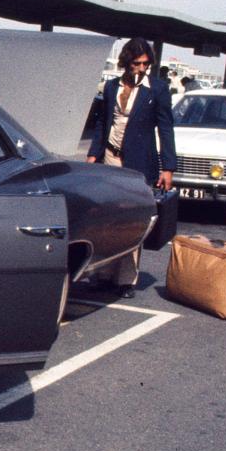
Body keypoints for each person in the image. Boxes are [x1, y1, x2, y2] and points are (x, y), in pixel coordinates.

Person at [86, 38, 176, 297]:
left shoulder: (157, 89)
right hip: (110, 158)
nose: (141, 69)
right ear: (126, 63)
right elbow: (103, 123)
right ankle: (102, 273)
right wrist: (94, 154)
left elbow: (166, 129)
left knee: (133, 219)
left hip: (139, 162)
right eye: (136, 63)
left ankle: (126, 278)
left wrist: (167, 166)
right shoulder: (112, 87)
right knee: (106, 216)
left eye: (146, 64)